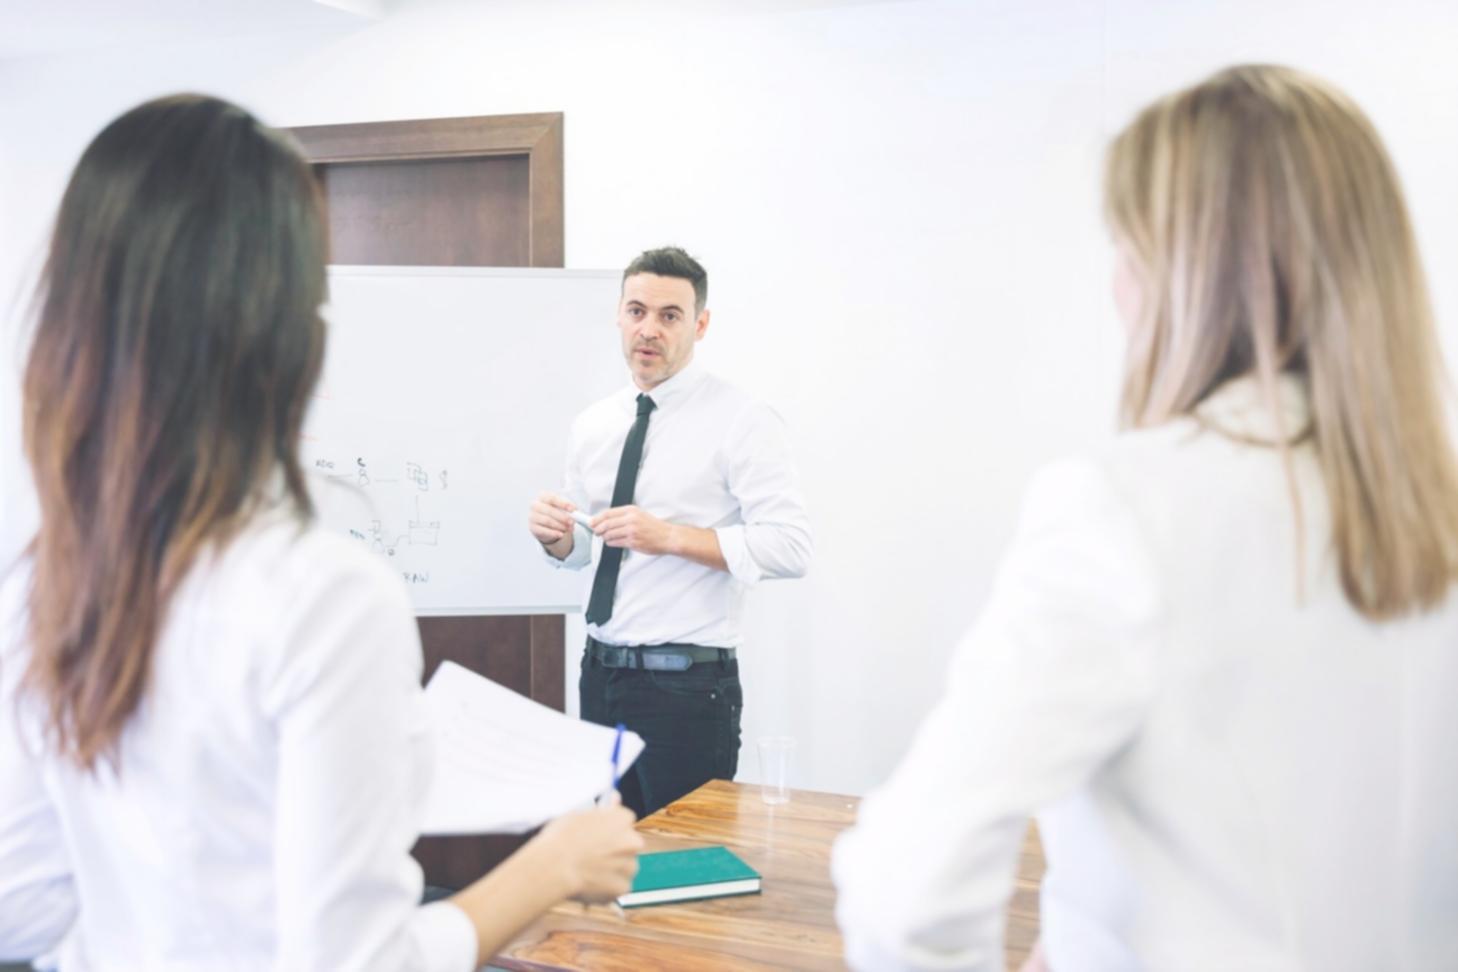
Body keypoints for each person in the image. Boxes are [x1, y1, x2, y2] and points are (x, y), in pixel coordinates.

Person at [831, 64, 1458, 971]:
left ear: (1187, 275)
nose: (1119, 289)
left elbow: (907, 890)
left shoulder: (1125, 509)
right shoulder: (1433, 510)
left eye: (1127, 250)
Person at [0, 94, 642, 971]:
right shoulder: (324, 599)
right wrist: (551, 867)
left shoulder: (44, 579)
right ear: (282, 331)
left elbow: (21, 906)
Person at [527, 246, 813, 817]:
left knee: (684, 860)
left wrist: (671, 537)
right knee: (606, 851)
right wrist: (555, 537)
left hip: (687, 692)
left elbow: (790, 546)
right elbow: (586, 550)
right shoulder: (594, 424)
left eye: (670, 315)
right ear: (619, 316)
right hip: (599, 677)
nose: (649, 329)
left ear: (699, 325)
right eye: (637, 311)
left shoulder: (743, 418)